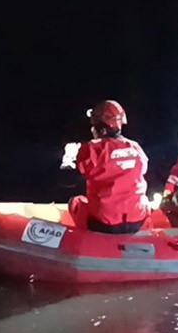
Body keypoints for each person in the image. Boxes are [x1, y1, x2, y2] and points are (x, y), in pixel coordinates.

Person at [61, 100, 150, 234]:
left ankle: (86, 241)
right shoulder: (136, 147)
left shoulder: (93, 149)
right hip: (136, 220)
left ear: (101, 129)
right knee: (143, 201)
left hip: (104, 223)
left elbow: (68, 181)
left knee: (75, 202)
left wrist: (68, 159)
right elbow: (142, 169)